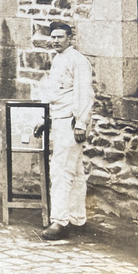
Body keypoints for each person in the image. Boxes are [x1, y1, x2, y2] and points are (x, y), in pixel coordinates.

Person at [36, 21, 95, 241]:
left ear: (70, 38)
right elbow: (56, 95)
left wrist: (81, 122)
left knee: (60, 171)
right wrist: (46, 119)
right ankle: (77, 218)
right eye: (53, 37)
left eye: (60, 37)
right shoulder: (58, 59)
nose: (56, 40)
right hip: (59, 120)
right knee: (76, 171)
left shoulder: (78, 61)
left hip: (71, 122)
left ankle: (59, 221)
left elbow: (84, 93)